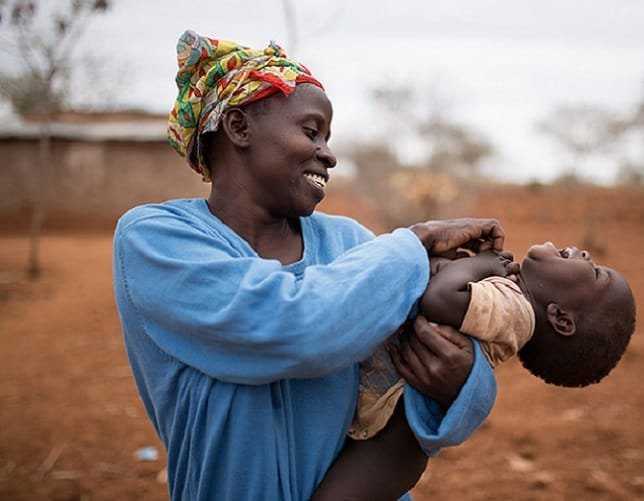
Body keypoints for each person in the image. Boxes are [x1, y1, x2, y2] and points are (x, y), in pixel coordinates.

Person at [112, 30, 503, 500]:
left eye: (328, 137)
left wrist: (461, 381)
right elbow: (288, 327)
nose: (329, 154)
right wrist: (416, 242)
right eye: (311, 131)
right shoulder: (157, 239)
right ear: (239, 128)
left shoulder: (350, 242)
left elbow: (442, 358)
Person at [314, 241, 636, 499]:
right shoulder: (511, 300)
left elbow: (440, 298)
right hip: (393, 419)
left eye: (595, 272)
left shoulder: (515, 309)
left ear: (561, 319)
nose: (585, 254)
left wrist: (483, 263)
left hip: (395, 413)